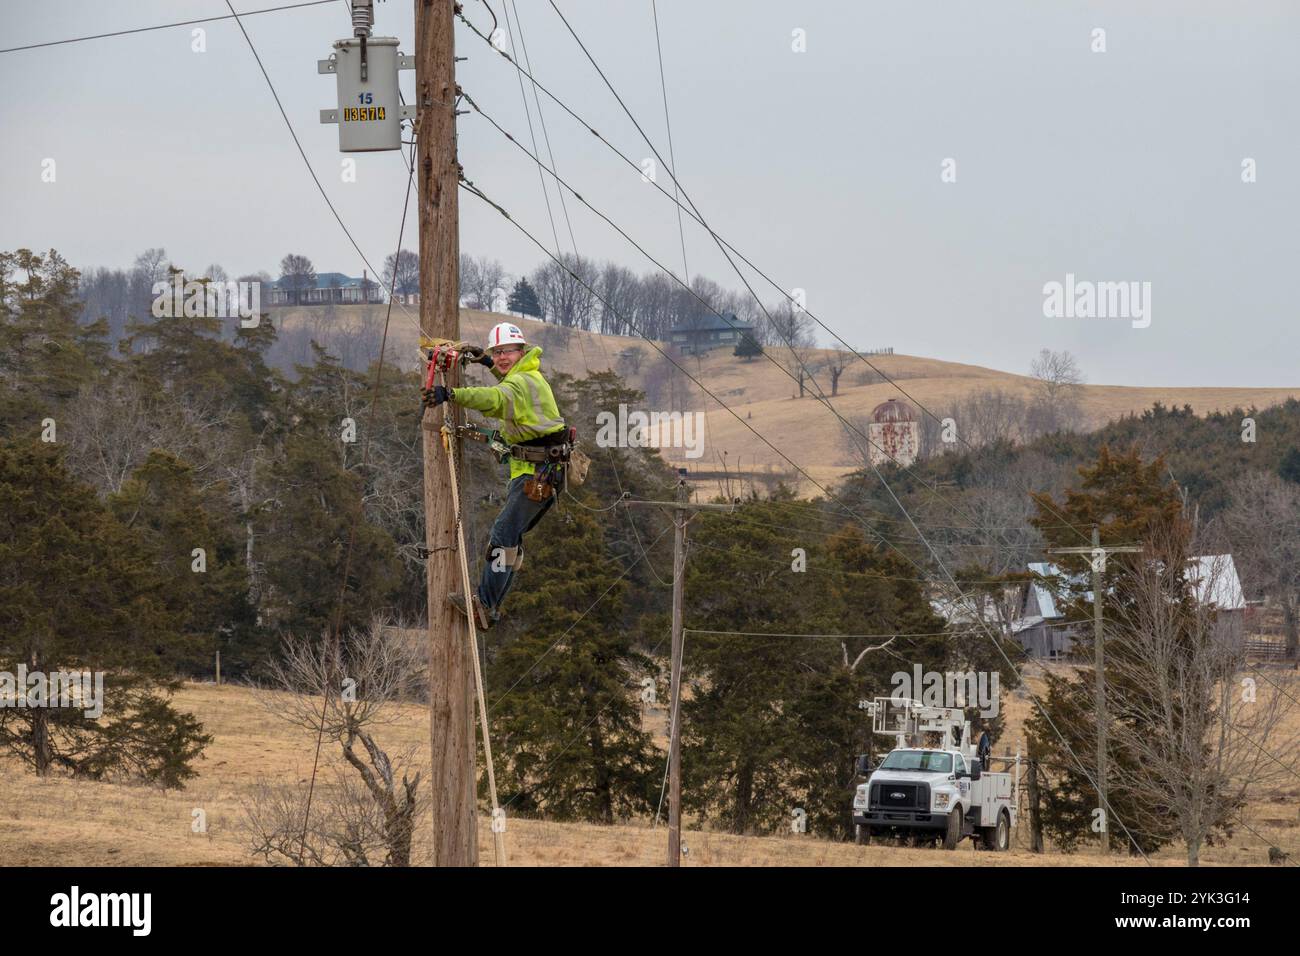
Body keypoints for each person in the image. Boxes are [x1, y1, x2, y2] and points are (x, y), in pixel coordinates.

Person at [422, 321, 567, 630]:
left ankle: (485, 605)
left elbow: (497, 398)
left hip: (536, 475)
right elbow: (508, 383)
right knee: (510, 540)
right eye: (497, 352)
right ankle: (491, 605)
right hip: (540, 472)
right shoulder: (527, 375)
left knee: (502, 538)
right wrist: (485, 362)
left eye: (507, 352)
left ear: (522, 351)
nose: (502, 357)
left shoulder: (523, 383)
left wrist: (449, 393)